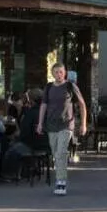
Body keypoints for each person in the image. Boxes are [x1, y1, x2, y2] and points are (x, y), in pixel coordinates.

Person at [37, 63, 87, 196]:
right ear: (52, 74)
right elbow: (43, 105)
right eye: (56, 72)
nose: (58, 75)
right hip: (51, 125)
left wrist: (83, 124)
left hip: (66, 124)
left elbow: (82, 104)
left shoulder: (70, 86)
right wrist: (40, 123)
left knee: (61, 152)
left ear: (64, 73)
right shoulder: (49, 87)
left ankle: (61, 182)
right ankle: (60, 177)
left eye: (61, 72)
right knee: (55, 153)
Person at [3, 88, 49, 178]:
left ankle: (9, 173)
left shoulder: (30, 113)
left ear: (31, 100)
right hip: (47, 144)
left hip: (32, 145)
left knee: (10, 150)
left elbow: (25, 132)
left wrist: (17, 139)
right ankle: (27, 170)